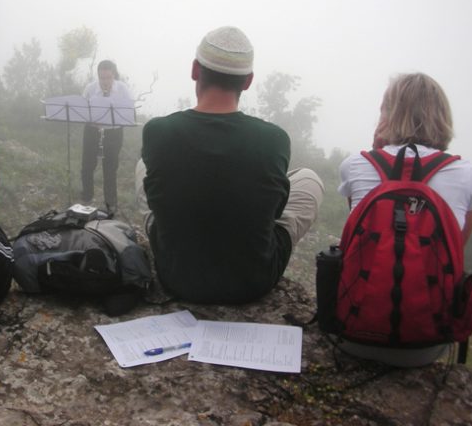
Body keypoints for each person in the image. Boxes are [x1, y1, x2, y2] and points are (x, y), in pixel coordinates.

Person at [138, 26, 324, 304]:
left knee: (144, 165)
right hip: (253, 282)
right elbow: (276, 210)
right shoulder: (274, 139)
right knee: (308, 178)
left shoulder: (158, 131)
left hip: (176, 277)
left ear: (195, 70)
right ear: (248, 81)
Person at [337, 72, 472, 366]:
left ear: (389, 115)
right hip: (428, 346)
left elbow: (354, 240)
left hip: (352, 336)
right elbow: (456, 246)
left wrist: (377, 149)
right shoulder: (469, 176)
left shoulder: (355, 165)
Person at [80, 59, 132, 214]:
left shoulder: (122, 89)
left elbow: (128, 110)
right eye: (102, 78)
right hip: (92, 130)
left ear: (113, 75)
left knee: (110, 168)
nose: (105, 81)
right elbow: (81, 109)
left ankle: (111, 204)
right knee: (87, 166)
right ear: (98, 75)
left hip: (114, 132)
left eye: (108, 78)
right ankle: (86, 199)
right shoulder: (90, 88)